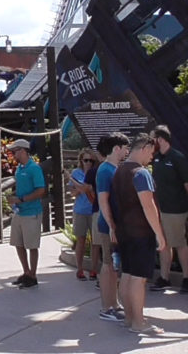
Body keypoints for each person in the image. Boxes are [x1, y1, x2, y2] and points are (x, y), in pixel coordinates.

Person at [111, 133, 167, 335]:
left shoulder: (119, 171)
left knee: (126, 275)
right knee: (139, 278)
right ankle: (139, 322)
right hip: (141, 233)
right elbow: (148, 205)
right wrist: (159, 234)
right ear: (143, 148)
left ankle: (129, 318)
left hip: (124, 231)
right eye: (151, 152)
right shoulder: (140, 173)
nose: (152, 157)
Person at [149, 125, 188, 293]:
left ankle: (187, 279)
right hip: (160, 209)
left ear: (161, 139)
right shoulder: (156, 159)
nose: (150, 142)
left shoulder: (177, 158)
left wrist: (181, 203)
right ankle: (164, 277)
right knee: (163, 244)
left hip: (176, 210)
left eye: (152, 139)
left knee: (179, 243)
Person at [95, 132, 128, 323]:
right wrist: (111, 226)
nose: (126, 151)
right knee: (109, 266)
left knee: (113, 267)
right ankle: (108, 307)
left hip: (115, 225)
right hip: (109, 226)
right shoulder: (105, 170)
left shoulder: (113, 169)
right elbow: (103, 200)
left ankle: (114, 304)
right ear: (116, 148)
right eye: (124, 148)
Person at [6, 139, 45, 288]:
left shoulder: (34, 168)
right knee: (18, 243)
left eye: (15, 151)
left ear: (23, 151)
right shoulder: (19, 169)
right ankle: (26, 272)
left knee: (32, 245)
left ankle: (33, 275)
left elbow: (41, 190)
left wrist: (21, 199)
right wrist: (15, 199)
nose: (13, 154)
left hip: (32, 212)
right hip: (20, 212)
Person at [68, 148, 98, 280]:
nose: (88, 163)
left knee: (95, 242)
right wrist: (81, 188)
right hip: (80, 210)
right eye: (86, 160)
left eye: (91, 160)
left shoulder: (96, 173)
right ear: (81, 160)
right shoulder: (77, 173)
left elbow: (89, 189)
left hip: (93, 210)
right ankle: (79, 269)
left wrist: (80, 186)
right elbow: (73, 192)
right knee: (81, 240)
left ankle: (94, 269)